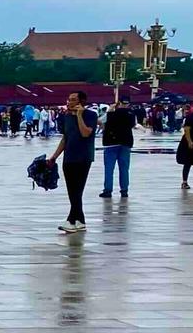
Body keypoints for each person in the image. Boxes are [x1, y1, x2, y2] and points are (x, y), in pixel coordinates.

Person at [47, 91, 98, 233]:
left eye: (73, 100)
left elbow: (86, 133)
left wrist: (80, 116)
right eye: (68, 99)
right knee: (72, 190)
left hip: (83, 157)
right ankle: (80, 221)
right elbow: (65, 138)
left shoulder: (90, 115)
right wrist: (54, 157)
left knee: (77, 190)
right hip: (69, 157)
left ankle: (71, 220)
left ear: (81, 101)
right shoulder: (66, 116)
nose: (69, 102)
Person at [98, 100, 134, 198]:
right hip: (125, 143)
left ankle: (108, 190)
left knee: (109, 168)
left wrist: (110, 110)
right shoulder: (131, 114)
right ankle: (124, 190)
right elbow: (133, 125)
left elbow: (100, 121)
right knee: (124, 168)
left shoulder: (111, 114)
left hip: (111, 144)